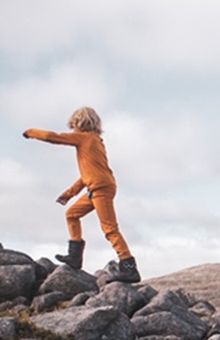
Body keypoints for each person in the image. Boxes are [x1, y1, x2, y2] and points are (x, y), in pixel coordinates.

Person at [23, 106, 140, 281]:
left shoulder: (85, 138)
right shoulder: (96, 142)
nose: (73, 127)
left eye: (74, 123)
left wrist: (30, 132)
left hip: (101, 188)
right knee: (72, 214)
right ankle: (75, 257)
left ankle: (129, 268)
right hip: (98, 186)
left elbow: (53, 137)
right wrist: (69, 194)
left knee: (110, 228)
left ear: (80, 122)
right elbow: (88, 175)